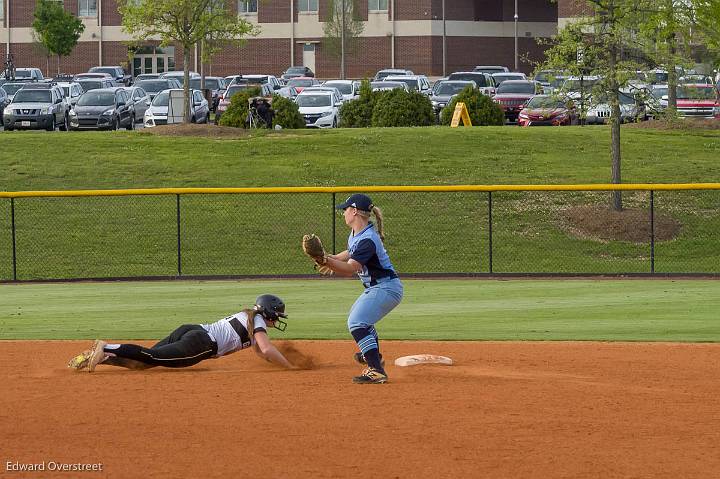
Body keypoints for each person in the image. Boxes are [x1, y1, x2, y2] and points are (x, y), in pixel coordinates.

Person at [68, 294, 296, 372]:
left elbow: (260, 351)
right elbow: (266, 347)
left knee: (144, 362)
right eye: (276, 315)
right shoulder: (258, 321)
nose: (277, 319)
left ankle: (102, 358)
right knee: (152, 356)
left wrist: (274, 361)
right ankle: (105, 347)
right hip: (200, 344)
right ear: (268, 313)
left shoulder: (247, 315)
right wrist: (289, 367)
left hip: (191, 330)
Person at [318, 193, 403, 384]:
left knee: (357, 322)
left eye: (345, 209)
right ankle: (373, 354)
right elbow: (350, 252)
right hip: (378, 287)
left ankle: (376, 370)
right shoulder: (358, 234)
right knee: (361, 321)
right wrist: (331, 257)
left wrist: (326, 261)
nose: (343, 213)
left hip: (386, 288)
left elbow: (350, 269)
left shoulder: (368, 240)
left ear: (355, 211)